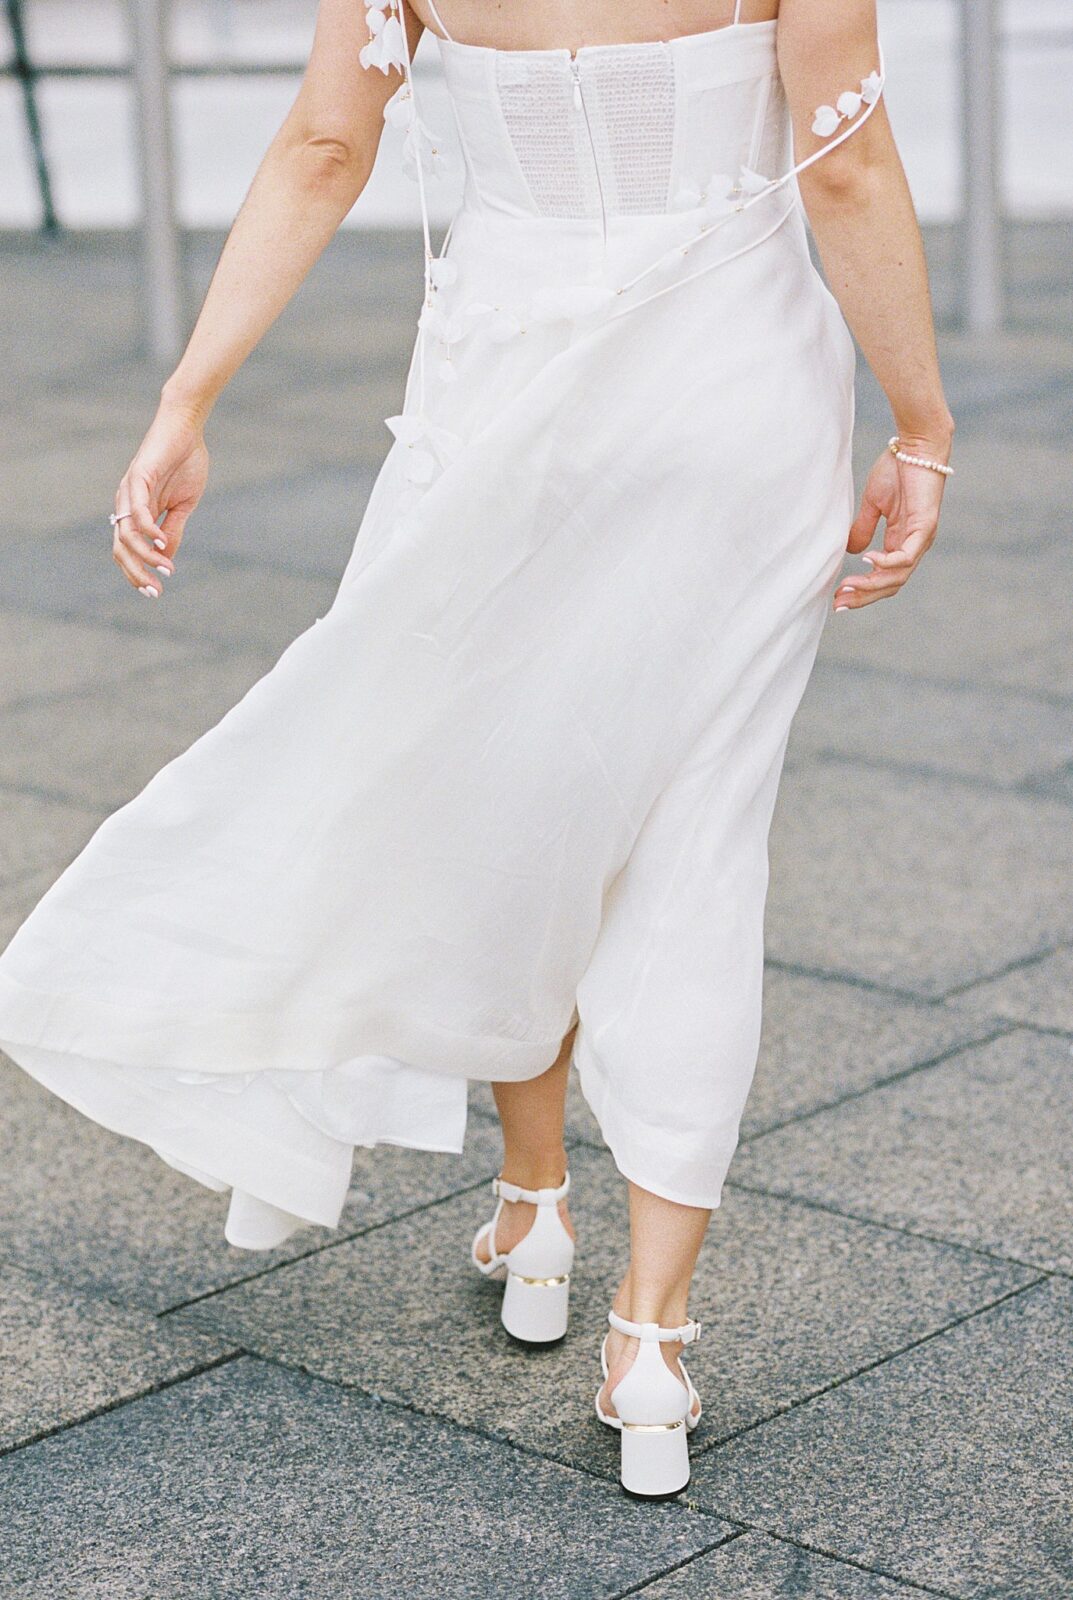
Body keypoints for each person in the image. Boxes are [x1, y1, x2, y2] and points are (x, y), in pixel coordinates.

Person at [0, 0, 953, 1499]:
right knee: (694, 838)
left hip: (501, 393)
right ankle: (651, 1338)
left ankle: (533, 1207)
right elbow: (841, 165)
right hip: (734, 399)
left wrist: (186, 399)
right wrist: (921, 423)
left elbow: (327, 140)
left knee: (512, 786)